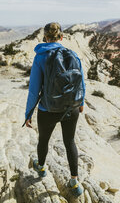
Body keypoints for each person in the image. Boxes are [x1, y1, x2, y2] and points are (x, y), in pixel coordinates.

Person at [24, 22, 85, 197]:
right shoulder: (72, 54)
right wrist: (80, 102)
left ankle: (41, 168)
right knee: (70, 142)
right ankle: (74, 182)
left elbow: (34, 89)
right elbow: (81, 81)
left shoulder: (40, 57)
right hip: (71, 108)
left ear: (45, 38)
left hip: (48, 110)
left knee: (43, 140)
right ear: (61, 37)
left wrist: (28, 113)